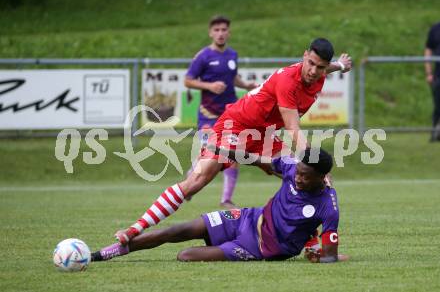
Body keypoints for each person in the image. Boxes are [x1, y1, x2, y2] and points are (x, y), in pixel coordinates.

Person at [114, 37, 352, 246]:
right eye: (310, 63)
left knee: (304, 179)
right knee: (196, 181)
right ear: (304, 56)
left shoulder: (319, 73)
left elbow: (326, 68)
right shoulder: (288, 80)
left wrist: (341, 65)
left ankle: (308, 235)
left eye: (319, 67)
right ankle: (135, 228)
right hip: (235, 125)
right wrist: (314, 163)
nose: (312, 71)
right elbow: (292, 128)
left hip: (265, 135)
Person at [93, 148, 348, 263]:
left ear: (323, 177)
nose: (298, 178)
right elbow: (262, 162)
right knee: (178, 230)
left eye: (306, 176)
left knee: (185, 255)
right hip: (247, 218)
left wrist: (324, 255)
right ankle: (109, 252)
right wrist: (230, 152)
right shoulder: (293, 168)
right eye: (298, 173)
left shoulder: (328, 206)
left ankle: (224, 248)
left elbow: (330, 254)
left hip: (258, 247)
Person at [184, 15, 258, 208]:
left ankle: (226, 199)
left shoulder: (232, 55)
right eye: (216, 30)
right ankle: (190, 180)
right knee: (209, 155)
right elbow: (188, 80)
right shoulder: (203, 56)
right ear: (210, 33)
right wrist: (209, 86)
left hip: (231, 115)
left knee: (233, 153)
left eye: (224, 30)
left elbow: (232, 78)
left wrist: (246, 85)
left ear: (229, 32)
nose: (220, 33)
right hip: (208, 116)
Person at [425, 21, 440, 142]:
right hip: (438, 75)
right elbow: (428, 51)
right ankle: (435, 133)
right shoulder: (435, 29)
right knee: (438, 106)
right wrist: (429, 73)